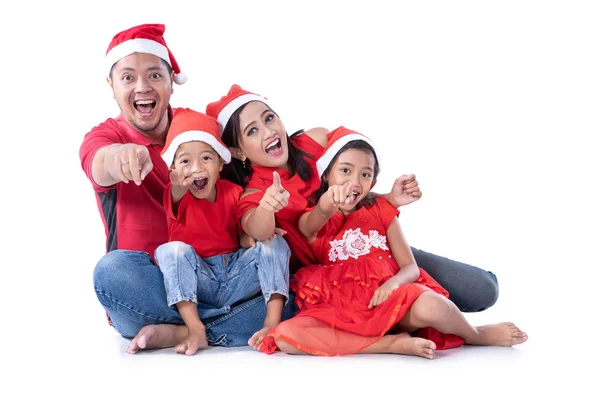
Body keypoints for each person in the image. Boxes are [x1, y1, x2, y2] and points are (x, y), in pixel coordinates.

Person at [80, 24, 292, 353]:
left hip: (220, 276)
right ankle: (221, 325)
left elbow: (242, 174)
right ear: (111, 84)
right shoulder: (106, 136)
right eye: (127, 77)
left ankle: (182, 332)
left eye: (153, 75)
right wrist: (119, 157)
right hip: (153, 288)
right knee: (111, 273)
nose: (142, 87)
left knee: (288, 270)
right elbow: (98, 162)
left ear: (170, 82)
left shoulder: (198, 129)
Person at [206, 84, 500, 314]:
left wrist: (388, 198)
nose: (269, 131)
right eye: (253, 130)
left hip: (372, 248)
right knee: (413, 314)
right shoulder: (254, 193)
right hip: (332, 279)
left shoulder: (315, 141)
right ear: (238, 151)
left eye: (269, 118)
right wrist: (268, 209)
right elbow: (256, 228)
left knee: (483, 290)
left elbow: (358, 169)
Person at [259, 127, 528, 357]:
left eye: (365, 175)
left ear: (373, 181)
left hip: (391, 302)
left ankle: (475, 334)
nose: (354, 181)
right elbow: (315, 218)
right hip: (344, 311)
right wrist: (329, 200)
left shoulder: (380, 211)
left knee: (432, 305)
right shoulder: (315, 219)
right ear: (326, 175)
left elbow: (410, 267)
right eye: (345, 171)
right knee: (286, 336)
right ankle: (389, 344)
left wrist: (393, 284)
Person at [154, 108, 290, 355]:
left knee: (273, 242)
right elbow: (176, 190)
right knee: (170, 250)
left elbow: (239, 235)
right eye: (185, 161)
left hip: (235, 274)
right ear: (173, 168)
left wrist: (249, 239)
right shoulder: (176, 194)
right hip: (199, 279)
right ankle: (195, 327)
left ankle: (272, 321)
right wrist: (176, 181)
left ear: (219, 164)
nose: (195, 168)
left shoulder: (233, 192)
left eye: (206, 158)